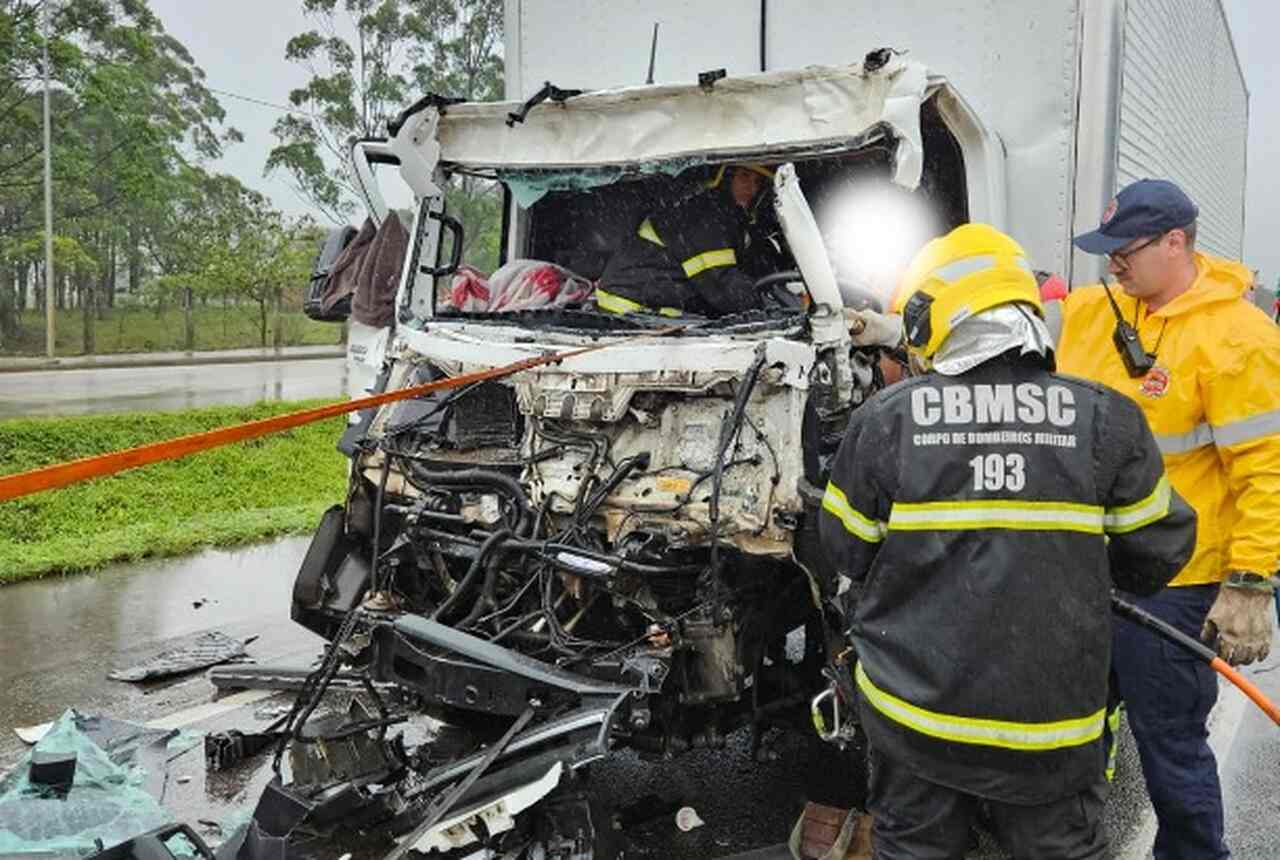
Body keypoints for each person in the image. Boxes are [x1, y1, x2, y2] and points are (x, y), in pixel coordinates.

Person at [819, 223, 1197, 859]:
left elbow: (848, 551)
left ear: (932, 317)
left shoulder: (888, 420)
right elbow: (1158, 552)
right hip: (1050, 734)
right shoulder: (1104, 417)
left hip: (919, 729)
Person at [1058, 178, 1280, 859]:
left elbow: (1264, 470)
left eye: (1126, 249)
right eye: (1107, 251)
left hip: (1174, 579)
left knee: (1170, 745)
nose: (1113, 263)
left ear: (1177, 242)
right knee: (1064, 730)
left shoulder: (1238, 337)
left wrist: (1248, 581)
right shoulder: (1092, 313)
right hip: (1081, 568)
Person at [596, 164, 777, 317]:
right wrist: (766, 308)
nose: (751, 188)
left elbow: (741, 267)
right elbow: (720, 283)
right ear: (726, 177)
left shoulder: (728, 215)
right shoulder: (707, 217)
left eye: (757, 182)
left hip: (656, 301)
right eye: (744, 176)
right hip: (631, 313)